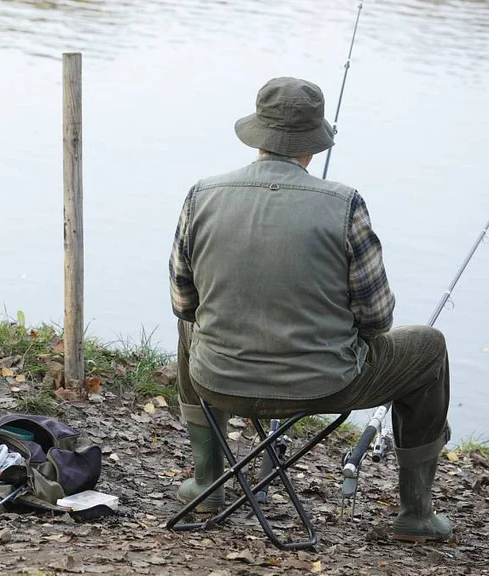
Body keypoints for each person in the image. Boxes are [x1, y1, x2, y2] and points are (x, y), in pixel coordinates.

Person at [168, 77, 452, 543]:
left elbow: (184, 300)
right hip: (326, 387)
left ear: (258, 133)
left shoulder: (201, 195)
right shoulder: (345, 204)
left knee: (189, 327)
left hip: (218, 380)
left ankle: (207, 482)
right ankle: (416, 516)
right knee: (429, 348)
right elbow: (378, 320)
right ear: (312, 145)